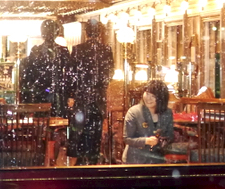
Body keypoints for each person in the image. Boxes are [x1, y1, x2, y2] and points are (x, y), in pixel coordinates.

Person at [67, 18, 113, 164]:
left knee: (81, 129)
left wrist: (72, 93)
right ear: (99, 33)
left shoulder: (78, 49)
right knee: (95, 129)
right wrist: (100, 87)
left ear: (86, 32)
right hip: (99, 97)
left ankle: (81, 157)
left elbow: (71, 75)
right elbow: (109, 73)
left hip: (82, 97)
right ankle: (92, 156)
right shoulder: (106, 50)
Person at [19, 19, 70, 114]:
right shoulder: (37, 50)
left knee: (49, 121)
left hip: (52, 94)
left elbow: (68, 74)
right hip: (46, 93)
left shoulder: (61, 51)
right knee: (47, 121)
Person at [122, 80, 174, 164]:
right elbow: (127, 138)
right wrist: (146, 141)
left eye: (153, 96)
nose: (148, 98)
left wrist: (161, 140)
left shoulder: (167, 113)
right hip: (135, 160)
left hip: (157, 160)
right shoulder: (134, 112)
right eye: (147, 94)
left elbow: (170, 135)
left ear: (161, 99)